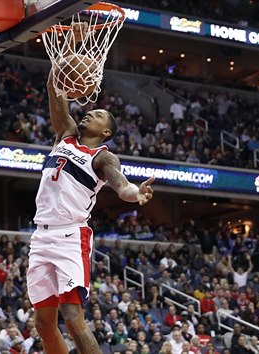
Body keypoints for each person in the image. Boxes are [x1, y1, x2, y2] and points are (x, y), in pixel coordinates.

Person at [28, 22, 155, 354]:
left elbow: (121, 186)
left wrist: (135, 194)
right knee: (43, 323)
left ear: (107, 132)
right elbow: (54, 89)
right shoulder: (65, 134)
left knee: (72, 316)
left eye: (97, 114)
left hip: (71, 235)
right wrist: (64, 57)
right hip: (41, 236)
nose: (88, 115)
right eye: (90, 111)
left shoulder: (103, 156)